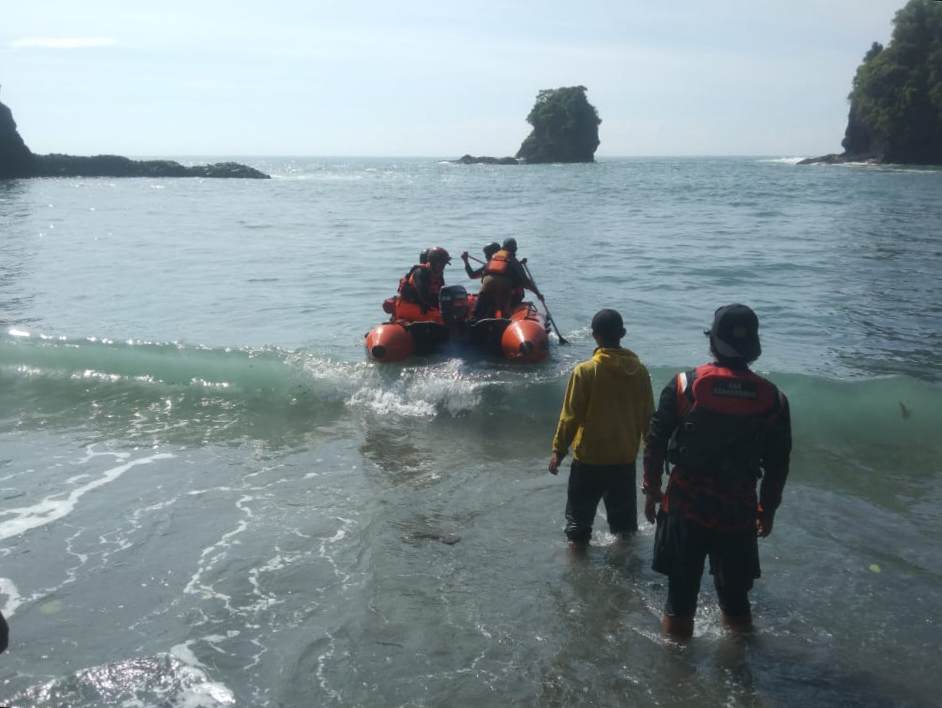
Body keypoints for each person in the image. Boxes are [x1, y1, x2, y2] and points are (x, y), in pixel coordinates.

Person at [642, 304, 792, 639]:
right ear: (754, 345)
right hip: (737, 511)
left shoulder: (684, 385)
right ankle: (739, 671)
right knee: (736, 599)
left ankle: (676, 676)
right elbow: (778, 466)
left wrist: (651, 489)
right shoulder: (774, 400)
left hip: (685, 508)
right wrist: (767, 511)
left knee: (680, 598)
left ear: (714, 342)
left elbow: (655, 442)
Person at [548, 309, 654, 546]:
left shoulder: (585, 371)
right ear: (623, 334)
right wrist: (651, 459)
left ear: (594, 336)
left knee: (577, 529)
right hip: (624, 462)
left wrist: (558, 450)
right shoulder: (640, 372)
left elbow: (570, 417)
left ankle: (577, 577)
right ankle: (626, 574)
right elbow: (649, 419)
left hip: (589, 462)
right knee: (625, 531)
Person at [476, 237, 542, 319]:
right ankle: (504, 320)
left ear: (502, 247)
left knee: (480, 311)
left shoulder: (493, 258)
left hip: (486, 286)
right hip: (504, 289)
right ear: (515, 249)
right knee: (505, 314)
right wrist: (538, 294)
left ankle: (476, 320)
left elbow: (475, 275)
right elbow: (526, 282)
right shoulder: (514, 261)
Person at [398, 247, 451, 314]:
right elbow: (424, 296)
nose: (442, 266)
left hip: (426, 302)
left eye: (444, 264)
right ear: (432, 262)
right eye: (440, 263)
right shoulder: (420, 273)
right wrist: (445, 308)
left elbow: (441, 291)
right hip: (412, 304)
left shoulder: (438, 273)